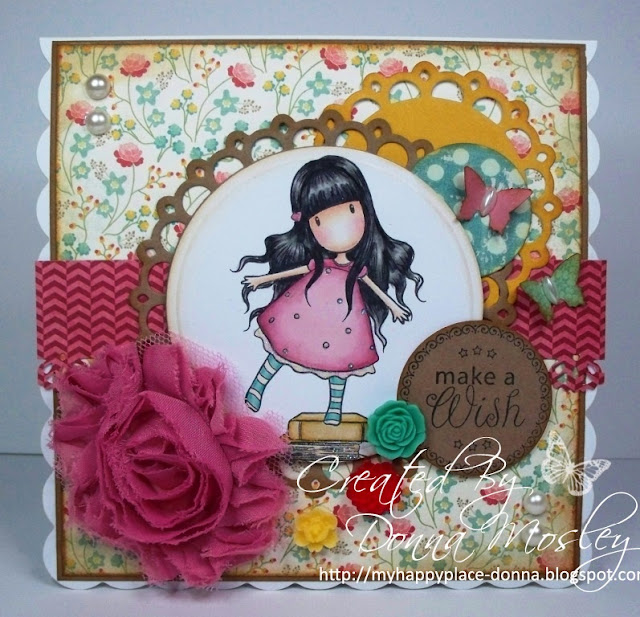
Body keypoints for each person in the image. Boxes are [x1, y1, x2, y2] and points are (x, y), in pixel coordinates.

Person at [236, 154, 423, 425]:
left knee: (342, 359)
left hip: (345, 318)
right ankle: (257, 387)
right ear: (309, 225)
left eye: (350, 210)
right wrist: (262, 280)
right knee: (283, 345)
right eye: (321, 220)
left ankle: (334, 408)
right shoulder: (319, 262)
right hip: (306, 306)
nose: (339, 227)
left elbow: (371, 285)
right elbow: (299, 270)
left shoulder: (357, 267)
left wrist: (393, 306)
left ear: (365, 210)